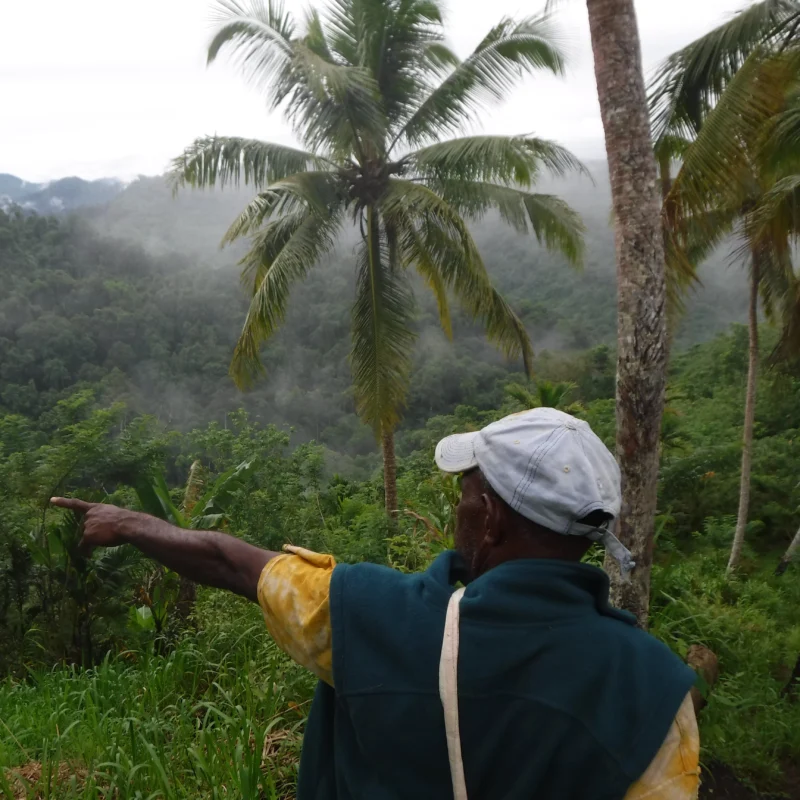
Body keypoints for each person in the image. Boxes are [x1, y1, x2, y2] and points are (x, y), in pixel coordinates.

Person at [52, 407, 700, 799]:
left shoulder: (371, 618)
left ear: (493, 519)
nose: (459, 509)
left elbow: (231, 563)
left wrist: (128, 523)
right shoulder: (656, 692)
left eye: (467, 495)